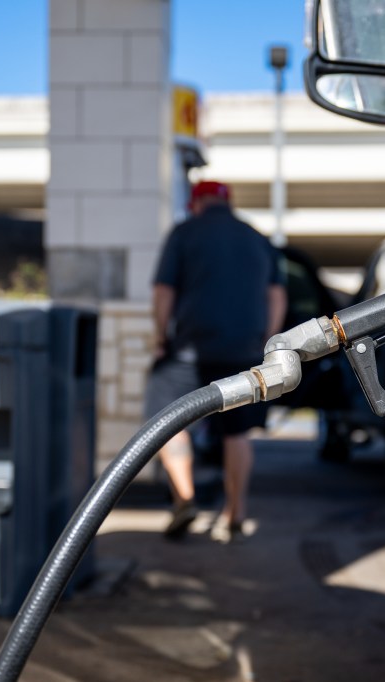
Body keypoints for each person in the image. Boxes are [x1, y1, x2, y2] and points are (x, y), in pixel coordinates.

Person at [145, 181, 287, 542]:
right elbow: (277, 296)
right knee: (236, 432)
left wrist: (161, 336)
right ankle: (235, 513)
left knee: (169, 421)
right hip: (243, 352)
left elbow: (163, 291)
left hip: (190, 350)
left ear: (196, 204)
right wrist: (266, 341)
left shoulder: (184, 233)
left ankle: (185, 497)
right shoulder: (258, 238)